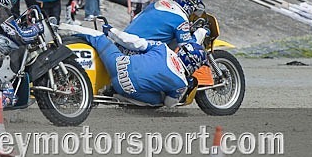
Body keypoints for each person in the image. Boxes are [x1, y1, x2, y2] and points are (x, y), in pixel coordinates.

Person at [65, 25, 206, 107]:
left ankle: (62, 28)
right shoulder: (181, 83)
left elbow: (135, 42)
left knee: (98, 37)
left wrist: (111, 31)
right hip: (126, 89)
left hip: (118, 65)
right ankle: (118, 96)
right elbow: (170, 103)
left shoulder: (163, 48)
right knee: (160, 100)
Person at [125, 0, 205, 47]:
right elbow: (188, 47)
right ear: (189, 4)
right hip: (137, 50)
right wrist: (201, 32)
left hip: (124, 40)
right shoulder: (180, 18)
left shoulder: (157, 4)